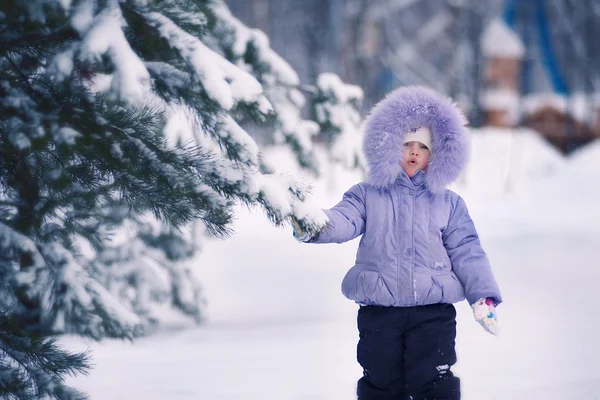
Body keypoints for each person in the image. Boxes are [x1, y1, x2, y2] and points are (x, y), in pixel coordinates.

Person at [292, 86, 502, 400]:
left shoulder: (448, 203)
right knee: (381, 382)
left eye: (423, 147)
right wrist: (310, 223)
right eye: (407, 144)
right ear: (388, 146)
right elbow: (343, 220)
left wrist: (482, 296)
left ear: (438, 155)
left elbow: (467, 250)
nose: (415, 152)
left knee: (434, 382)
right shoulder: (366, 195)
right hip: (380, 313)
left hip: (433, 312)